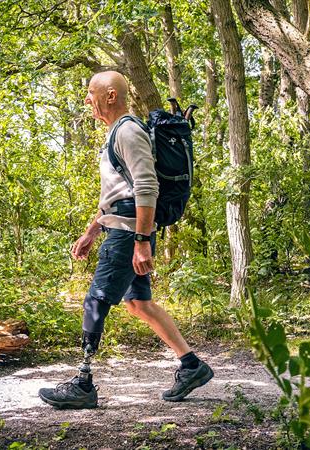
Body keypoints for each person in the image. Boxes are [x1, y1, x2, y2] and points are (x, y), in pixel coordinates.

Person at [38, 71, 213, 409]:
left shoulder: (129, 131)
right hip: (126, 230)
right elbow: (118, 195)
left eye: (91, 92)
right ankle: (192, 366)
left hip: (128, 235)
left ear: (111, 96)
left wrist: (141, 241)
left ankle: (83, 384)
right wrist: (91, 231)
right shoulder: (116, 134)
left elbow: (147, 187)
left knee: (95, 301)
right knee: (138, 304)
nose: (87, 100)